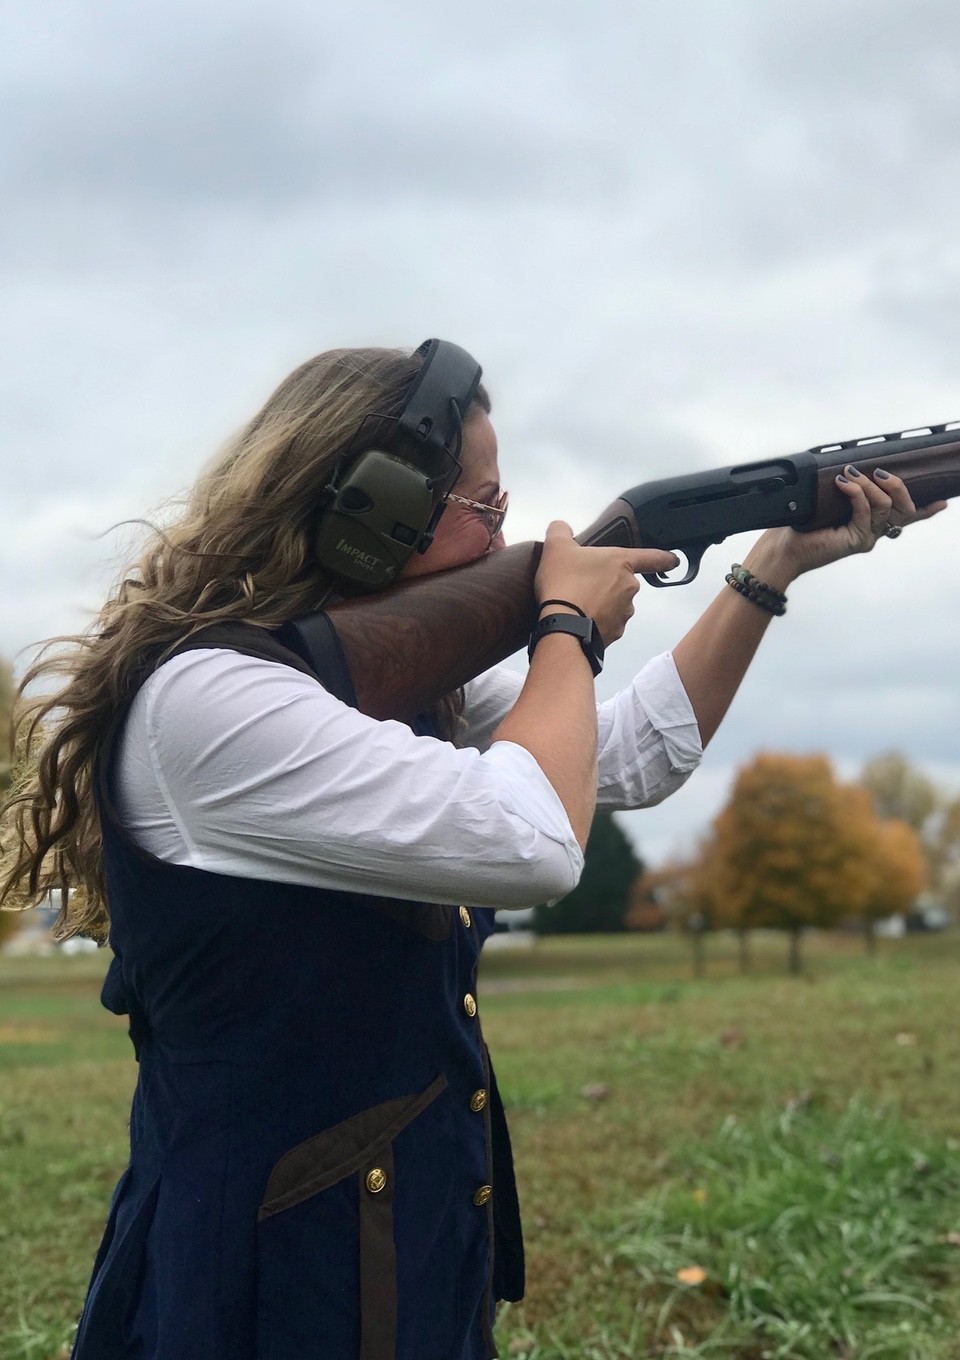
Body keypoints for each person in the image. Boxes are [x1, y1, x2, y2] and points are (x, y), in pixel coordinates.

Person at [0, 343, 945, 1360]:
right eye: (486, 508)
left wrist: (771, 566)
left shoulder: (403, 683)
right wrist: (565, 625)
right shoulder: (211, 701)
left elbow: (622, 759)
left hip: (405, 1238)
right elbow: (532, 838)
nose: (516, 534)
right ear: (374, 511)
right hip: (266, 1281)